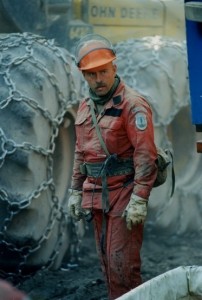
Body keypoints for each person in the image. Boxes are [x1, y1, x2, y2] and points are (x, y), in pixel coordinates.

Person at [68, 34, 158, 300]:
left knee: (122, 267)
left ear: (114, 69)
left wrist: (139, 199)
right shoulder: (85, 106)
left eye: (103, 72)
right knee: (108, 264)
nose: (99, 80)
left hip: (124, 194)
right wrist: (75, 190)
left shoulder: (133, 105)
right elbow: (80, 151)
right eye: (92, 74)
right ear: (84, 76)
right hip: (96, 195)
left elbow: (145, 154)